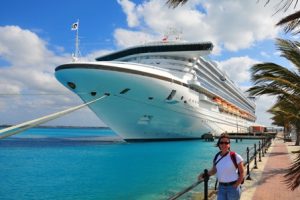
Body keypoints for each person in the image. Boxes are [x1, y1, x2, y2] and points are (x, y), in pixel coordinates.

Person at [198, 133, 244, 200]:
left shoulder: (235, 156)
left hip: (233, 187)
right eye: (222, 142)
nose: (224, 144)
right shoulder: (217, 156)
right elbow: (214, 170)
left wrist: (236, 185)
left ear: (229, 145)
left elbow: (242, 172)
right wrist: (204, 174)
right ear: (219, 144)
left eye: (226, 143)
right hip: (221, 187)